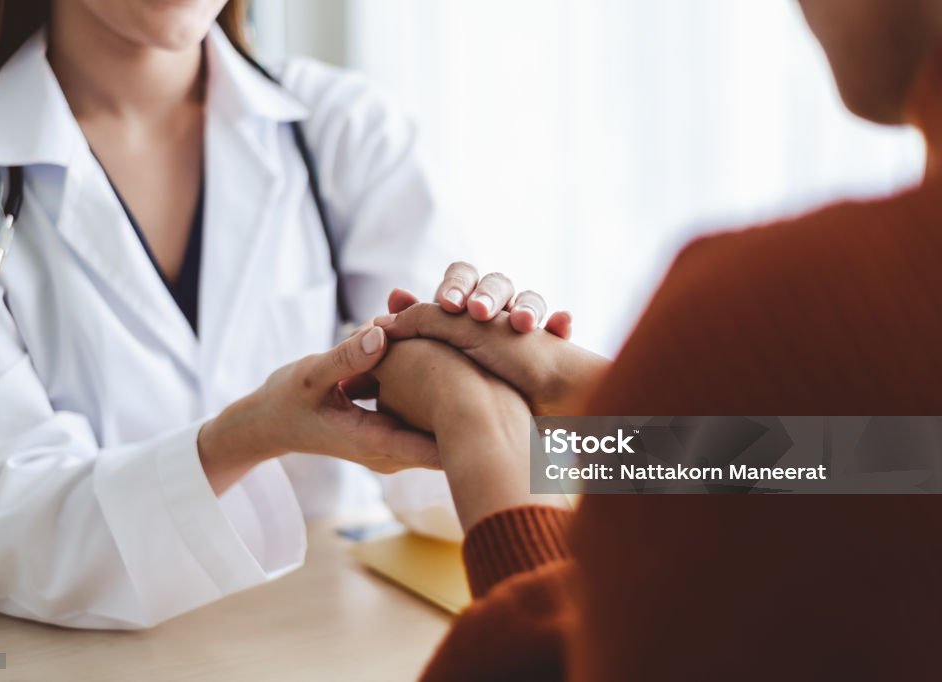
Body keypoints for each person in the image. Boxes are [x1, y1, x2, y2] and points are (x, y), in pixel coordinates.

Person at [0, 0, 568, 627]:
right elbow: (0, 535)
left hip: (329, 639)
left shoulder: (346, 128)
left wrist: (565, 404)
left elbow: (459, 470)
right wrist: (248, 434)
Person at [366, 0, 942, 677]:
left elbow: (573, 664)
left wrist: (480, 426)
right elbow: (887, 461)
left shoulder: (771, 308)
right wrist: (590, 396)